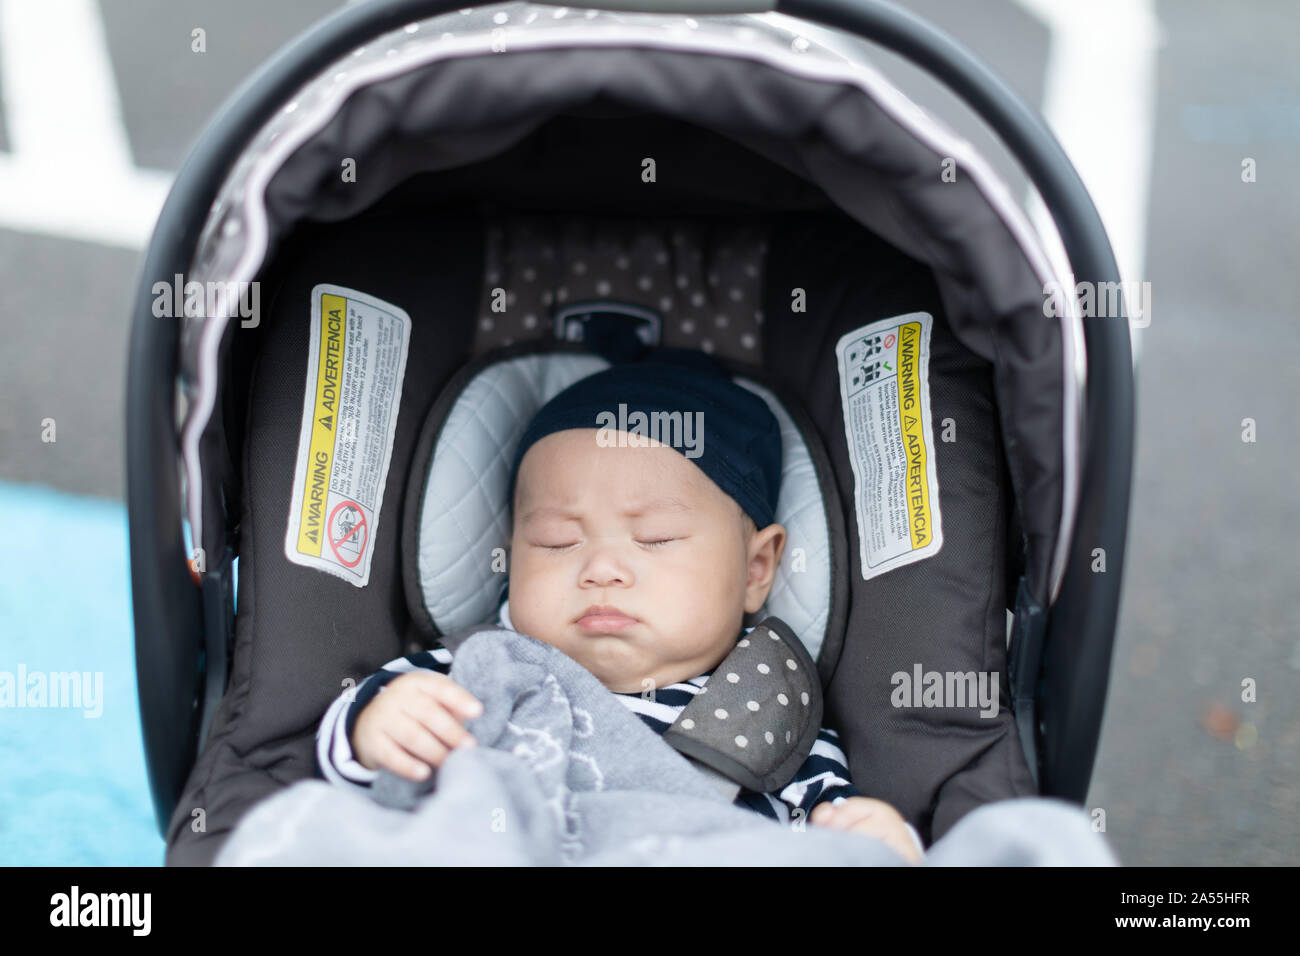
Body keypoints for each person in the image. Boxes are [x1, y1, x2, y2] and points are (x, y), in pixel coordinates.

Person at [315, 349, 925, 863]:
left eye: (655, 537)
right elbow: (357, 749)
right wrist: (377, 729)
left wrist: (868, 836)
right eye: (557, 540)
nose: (601, 568)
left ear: (755, 569)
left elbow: (831, 826)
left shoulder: (772, 706)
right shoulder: (475, 672)